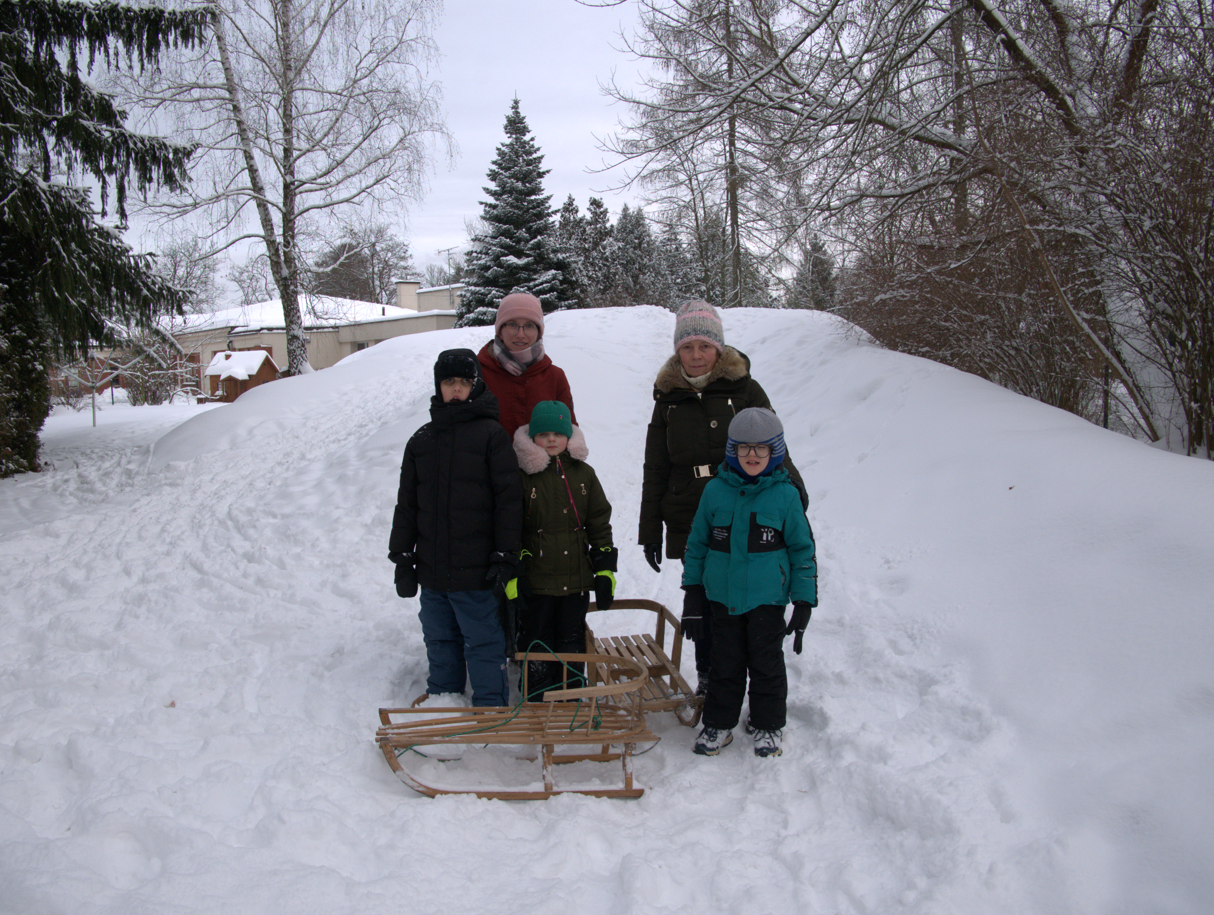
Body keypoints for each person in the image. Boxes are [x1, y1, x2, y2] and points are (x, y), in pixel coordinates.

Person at [638, 300, 807, 694]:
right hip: (689, 512)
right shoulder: (667, 397)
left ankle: (758, 677)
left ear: (719, 348)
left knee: (748, 599)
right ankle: (711, 679)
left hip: (744, 506)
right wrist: (650, 530)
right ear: (677, 350)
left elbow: (775, 444)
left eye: (705, 346)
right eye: (687, 347)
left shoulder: (745, 387)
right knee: (705, 600)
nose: (696, 355)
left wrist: (794, 492)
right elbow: (655, 467)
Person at [387, 348, 522, 707]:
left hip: (476, 570)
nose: (457, 389)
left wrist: (505, 554)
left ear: (476, 385)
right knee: (439, 638)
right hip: (432, 569)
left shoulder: (492, 436)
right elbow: (407, 504)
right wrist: (402, 557)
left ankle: (490, 708)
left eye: (465, 381)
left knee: (482, 640)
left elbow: (509, 501)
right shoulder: (421, 441)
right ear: (438, 386)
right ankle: (443, 701)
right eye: (449, 382)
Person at [681, 408, 817, 758]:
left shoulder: (786, 496)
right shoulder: (714, 492)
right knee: (723, 663)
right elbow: (696, 546)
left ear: (775, 451)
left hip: (767, 599)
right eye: (744, 448)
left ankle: (767, 725)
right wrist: (693, 595)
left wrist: (803, 602)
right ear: (732, 451)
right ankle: (719, 724)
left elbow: (803, 550)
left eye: (761, 449)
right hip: (722, 598)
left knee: (766, 664)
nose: (752, 456)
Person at [511, 400, 617, 697]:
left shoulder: (584, 474)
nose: (552, 440)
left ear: (569, 436)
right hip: (537, 579)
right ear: (532, 439)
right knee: (536, 637)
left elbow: (598, 521)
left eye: (557, 433)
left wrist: (605, 569)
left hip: (576, 577)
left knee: (571, 636)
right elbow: (511, 527)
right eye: (543, 435)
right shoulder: (522, 476)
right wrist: (514, 572)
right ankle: (537, 693)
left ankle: (570, 690)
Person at [477, 292, 577, 440]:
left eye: (529, 326)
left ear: (538, 332)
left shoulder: (555, 377)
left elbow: (568, 435)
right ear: (499, 330)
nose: (521, 334)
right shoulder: (478, 374)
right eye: (512, 325)